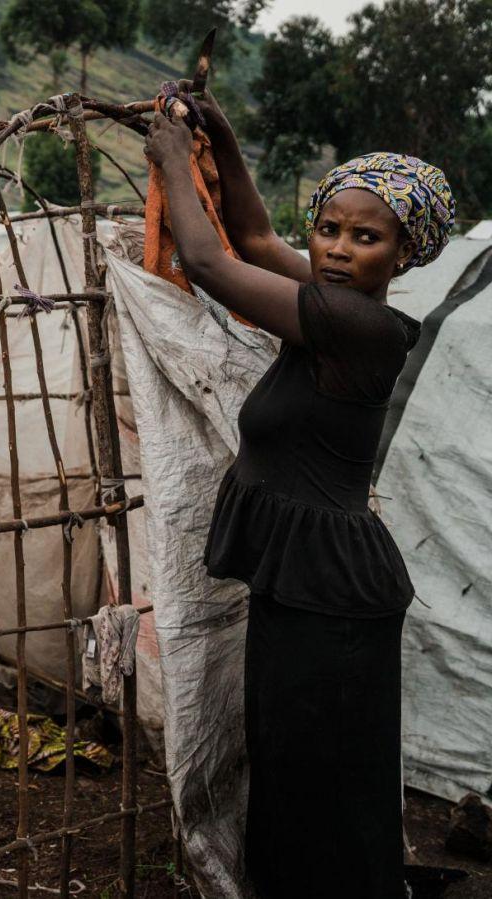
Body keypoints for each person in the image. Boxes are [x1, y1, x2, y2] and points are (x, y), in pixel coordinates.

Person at [145, 87, 455, 899]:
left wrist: (173, 158)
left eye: (366, 236)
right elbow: (249, 235)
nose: (340, 248)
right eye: (328, 229)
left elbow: (212, 262)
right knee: (295, 768)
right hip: (312, 585)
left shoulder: (361, 327)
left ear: (405, 253)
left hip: (332, 597)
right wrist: (223, 138)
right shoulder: (328, 302)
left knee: (319, 779)